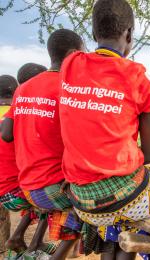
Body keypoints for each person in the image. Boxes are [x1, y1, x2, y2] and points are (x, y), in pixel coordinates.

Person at [58, 0, 150, 259]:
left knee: (114, 217)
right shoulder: (138, 78)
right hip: (122, 198)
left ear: (95, 34)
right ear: (129, 35)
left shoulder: (70, 65)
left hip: (82, 200)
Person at [2, 29, 84, 260]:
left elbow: (7, 133)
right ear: (72, 54)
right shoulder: (68, 88)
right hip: (52, 189)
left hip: (27, 187)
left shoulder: (23, 88)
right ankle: (60, 255)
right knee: (92, 199)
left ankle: (36, 244)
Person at [0, 72, 53, 258]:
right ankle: (36, 242)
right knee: (48, 193)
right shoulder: (20, 115)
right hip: (15, 193)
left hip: (4, 193)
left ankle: (16, 237)